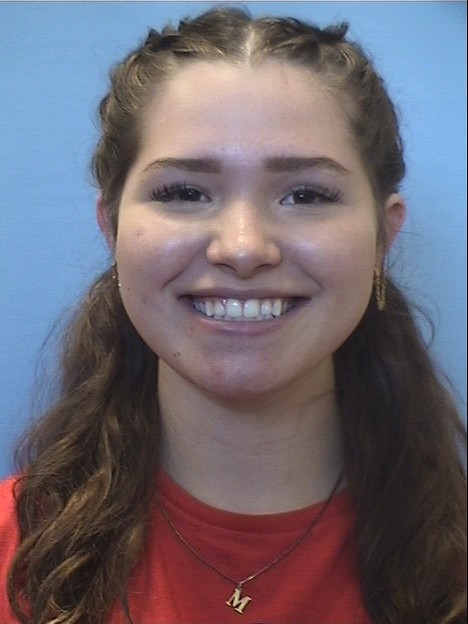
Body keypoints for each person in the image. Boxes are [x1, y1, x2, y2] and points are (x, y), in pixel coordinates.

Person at [0, 6, 465, 624]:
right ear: (111, 229)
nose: (243, 248)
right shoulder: (12, 551)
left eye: (305, 194)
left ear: (384, 237)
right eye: (184, 193)